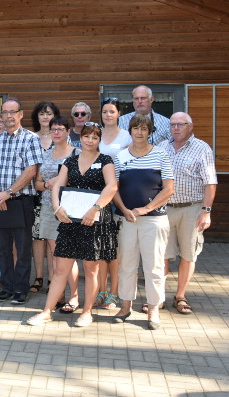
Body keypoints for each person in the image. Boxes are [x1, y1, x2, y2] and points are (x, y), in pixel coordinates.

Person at [28, 122, 118, 328]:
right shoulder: (71, 160)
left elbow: (112, 186)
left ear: (99, 140)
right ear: (81, 137)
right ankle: (47, 311)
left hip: (94, 221)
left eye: (95, 137)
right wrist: (58, 208)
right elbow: (58, 185)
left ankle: (87, 312)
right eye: (87, 136)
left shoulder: (105, 160)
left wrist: (95, 208)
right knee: (61, 269)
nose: (90, 140)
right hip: (70, 221)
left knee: (91, 269)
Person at [112, 114, 175, 330]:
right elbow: (114, 189)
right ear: (130, 130)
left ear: (150, 132)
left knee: (154, 266)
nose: (139, 132)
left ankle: (153, 309)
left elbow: (168, 189)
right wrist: (124, 210)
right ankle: (125, 306)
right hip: (126, 219)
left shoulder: (161, 155)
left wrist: (145, 209)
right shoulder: (120, 157)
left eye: (144, 129)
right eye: (136, 128)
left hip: (154, 221)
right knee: (126, 265)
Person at [0, 97, 43, 305]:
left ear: (20, 114)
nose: (8, 116)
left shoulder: (30, 138)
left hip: (21, 201)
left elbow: (31, 170)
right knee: (2, 249)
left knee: (23, 249)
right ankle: (7, 287)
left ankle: (21, 289)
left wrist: (7, 192)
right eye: (5, 112)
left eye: (12, 112)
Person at [160, 112, 218, 315]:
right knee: (161, 254)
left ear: (190, 126)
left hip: (192, 208)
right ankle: (158, 298)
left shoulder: (202, 148)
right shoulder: (161, 147)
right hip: (164, 209)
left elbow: (210, 183)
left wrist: (206, 211)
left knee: (188, 253)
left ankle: (180, 296)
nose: (176, 128)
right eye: (173, 124)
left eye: (181, 124)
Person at [33, 116, 80, 311]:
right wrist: (47, 185)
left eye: (61, 129)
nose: (57, 132)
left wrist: (62, 183)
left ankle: (74, 296)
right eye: (53, 129)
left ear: (68, 131)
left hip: (69, 210)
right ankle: (59, 295)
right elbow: (37, 183)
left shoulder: (77, 154)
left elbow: (82, 183)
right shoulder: (45, 155)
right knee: (55, 253)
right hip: (48, 207)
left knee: (68, 254)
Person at [93, 97, 132, 309]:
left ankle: (114, 293)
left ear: (118, 114)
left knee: (114, 250)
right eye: (105, 111)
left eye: (112, 111)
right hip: (97, 199)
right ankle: (101, 291)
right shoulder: (96, 134)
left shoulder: (126, 136)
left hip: (117, 198)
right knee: (99, 249)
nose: (108, 115)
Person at [27, 101, 61, 293]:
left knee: (52, 238)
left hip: (55, 196)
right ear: (37, 117)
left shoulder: (60, 137)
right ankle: (38, 276)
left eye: (49, 114)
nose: (45, 117)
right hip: (35, 193)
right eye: (42, 114)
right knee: (37, 237)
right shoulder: (31, 138)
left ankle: (53, 278)